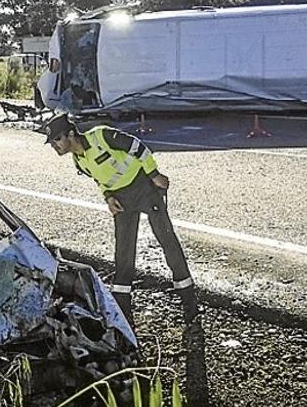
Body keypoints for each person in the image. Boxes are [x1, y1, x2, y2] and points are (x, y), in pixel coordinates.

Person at [43, 114, 198, 323]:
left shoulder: (101, 136)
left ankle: (189, 303)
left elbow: (138, 147)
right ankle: (123, 311)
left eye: (57, 140)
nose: (55, 146)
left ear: (71, 134)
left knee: (167, 240)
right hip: (122, 200)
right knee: (123, 253)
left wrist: (154, 175)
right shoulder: (78, 161)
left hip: (145, 188)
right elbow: (100, 179)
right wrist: (108, 198)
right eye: (52, 142)